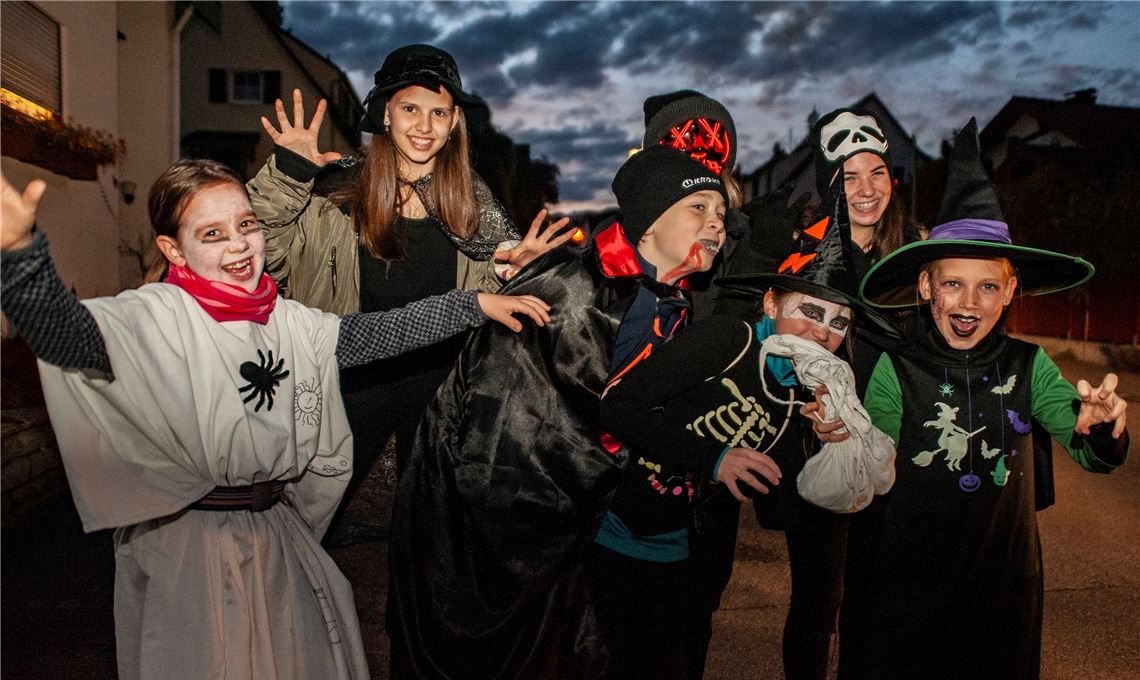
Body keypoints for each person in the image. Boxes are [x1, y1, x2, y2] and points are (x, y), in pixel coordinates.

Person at [0, 160, 550, 680]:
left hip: (274, 535)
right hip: (191, 548)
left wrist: (471, 304)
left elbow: (373, 333)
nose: (238, 244)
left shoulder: (284, 317)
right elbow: (69, 337)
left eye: (245, 225)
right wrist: (22, 258)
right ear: (174, 248)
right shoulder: (156, 316)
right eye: (211, 234)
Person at [387, 145, 728, 679]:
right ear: (648, 226)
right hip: (520, 523)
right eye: (698, 208)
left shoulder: (668, 300)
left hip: (606, 529)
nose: (716, 223)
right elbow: (512, 423)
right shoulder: (580, 296)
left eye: (721, 215)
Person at [836, 119, 1129, 679]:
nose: (968, 301)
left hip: (1005, 590)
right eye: (951, 283)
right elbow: (870, 466)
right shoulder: (899, 370)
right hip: (910, 585)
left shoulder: (1030, 366)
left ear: (1011, 290)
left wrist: (1099, 428)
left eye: (988, 286)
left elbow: (1088, 448)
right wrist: (844, 445)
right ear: (926, 287)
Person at [247, 43, 572, 545]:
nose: (424, 125)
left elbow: (478, 297)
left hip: (439, 389)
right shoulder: (335, 194)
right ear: (384, 114)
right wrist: (287, 174)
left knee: (431, 536)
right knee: (306, 525)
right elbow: (260, 251)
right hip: (349, 384)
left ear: (455, 121)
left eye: (439, 111)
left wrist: (512, 272)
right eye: (410, 108)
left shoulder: (472, 205)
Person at [596, 179, 898, 680]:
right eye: (810, 312)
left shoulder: (795, 395)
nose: (823, 334)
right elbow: (618, 408)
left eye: (840, 323)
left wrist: (821, 449)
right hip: (613, 533)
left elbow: (775, 504)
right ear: (771, 303)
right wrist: (716, 456)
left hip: (680, 547)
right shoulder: (726, 339)